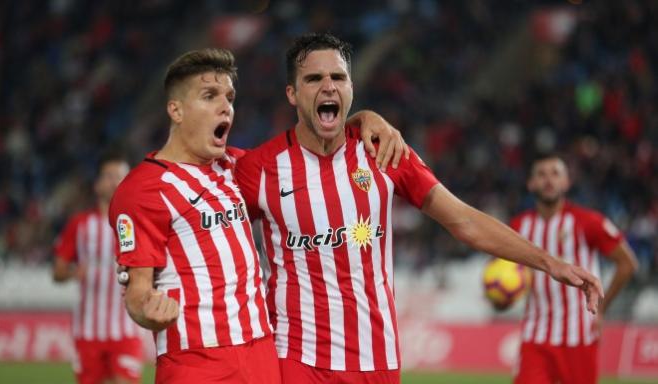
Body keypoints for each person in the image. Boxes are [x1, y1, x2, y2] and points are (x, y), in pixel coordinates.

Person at [234, 32, 605, 384]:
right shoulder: (259, 169)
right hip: (297, 359)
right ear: (292, 94)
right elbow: (202, 213)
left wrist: (549, 262)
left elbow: (463, 221)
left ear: (351, 89)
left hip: (378, 360)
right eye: (314, 78)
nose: (328, 85)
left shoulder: (384, 151)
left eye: (338, 77)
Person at [108, 48, 407, 384]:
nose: (225, 107)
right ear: (175, 110)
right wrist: (148, 309)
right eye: (209, 96)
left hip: (263, 359)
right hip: (197, 363)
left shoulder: (237, 167)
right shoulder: (143, 189)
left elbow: (306, 147)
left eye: (229, 97)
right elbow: (136, 291)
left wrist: (363, 117)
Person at [510, 154, 638, 384]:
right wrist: (502, 297)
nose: (549, 180)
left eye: (555, 173)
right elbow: (506, 274)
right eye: (541, 174)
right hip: (535, 336)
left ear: (566, 182)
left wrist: (602, 308)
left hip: (579, 336)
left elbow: (627, 263)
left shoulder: (587, 221)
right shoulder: (519, 226)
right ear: (531, 183)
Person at [53, 153, 143, 384]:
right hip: (88, 331)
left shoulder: (138, 222)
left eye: (119, 177)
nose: (114, 181)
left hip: (126, 328)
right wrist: (73, 273)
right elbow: (58, 271)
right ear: (97, 184)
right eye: (109, 176)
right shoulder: (80, 224)